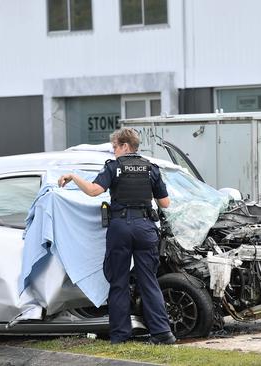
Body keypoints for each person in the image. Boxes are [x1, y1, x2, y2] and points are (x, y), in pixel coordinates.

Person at [58, 128, 176, 345]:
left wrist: (74, 176)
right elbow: (165, 203)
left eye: (115, 147)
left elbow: (94, 191)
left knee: (119, 282)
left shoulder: (114, 168)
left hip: (120, 228)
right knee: (149, 281)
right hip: (145, 228)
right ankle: (163, 334)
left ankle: (120, 336)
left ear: (124, 146)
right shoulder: (151, 168)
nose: (113, 152)